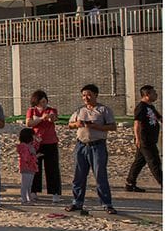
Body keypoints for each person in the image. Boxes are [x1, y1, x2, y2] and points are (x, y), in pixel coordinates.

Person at [66, 83, 117, 214]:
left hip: (97, 145)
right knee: (79, 175)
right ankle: (77, 202)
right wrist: (76, 124)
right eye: (83, 95)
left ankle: (106, 203)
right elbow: (70, 125)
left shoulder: (103, 110)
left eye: (89, 94)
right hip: (81, 145)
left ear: (95, 95)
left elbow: (112, 126)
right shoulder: (79, 110)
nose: (86, 98)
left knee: (100, 175)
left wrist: (96, 126)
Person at [25, 90, 62, 203]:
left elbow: (53, 118)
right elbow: (29, 123)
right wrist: (41, 118)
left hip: (50, 142)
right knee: (35, 168)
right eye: (41, 102)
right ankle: (34, 191)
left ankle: (55, 192)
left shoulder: (51, 110)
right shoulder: (32, 111)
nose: (43, 104)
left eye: (45, 101)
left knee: (52, 168)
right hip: (36, 143)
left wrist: (50, 117)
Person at [126, 85, 162, 191]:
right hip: (145, 140)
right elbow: (137, 123)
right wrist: (137, 138)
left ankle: (130, 183)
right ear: (147, 95)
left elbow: (159, 118)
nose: (156, 94)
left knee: (139, 161)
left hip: (151, 139)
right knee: (154, 162)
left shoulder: (150, 107)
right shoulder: (141, 107)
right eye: (153, 92)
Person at [17, 128, 39, 205]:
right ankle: (24, 200)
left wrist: (37, 142)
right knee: (25, 185)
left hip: (31, 167)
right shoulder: (23, 146)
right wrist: (34, 156)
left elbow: (35, 148)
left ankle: (29, 199)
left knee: (29, 185)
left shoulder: (29, 145)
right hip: (26, 167)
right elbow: (26, 158)